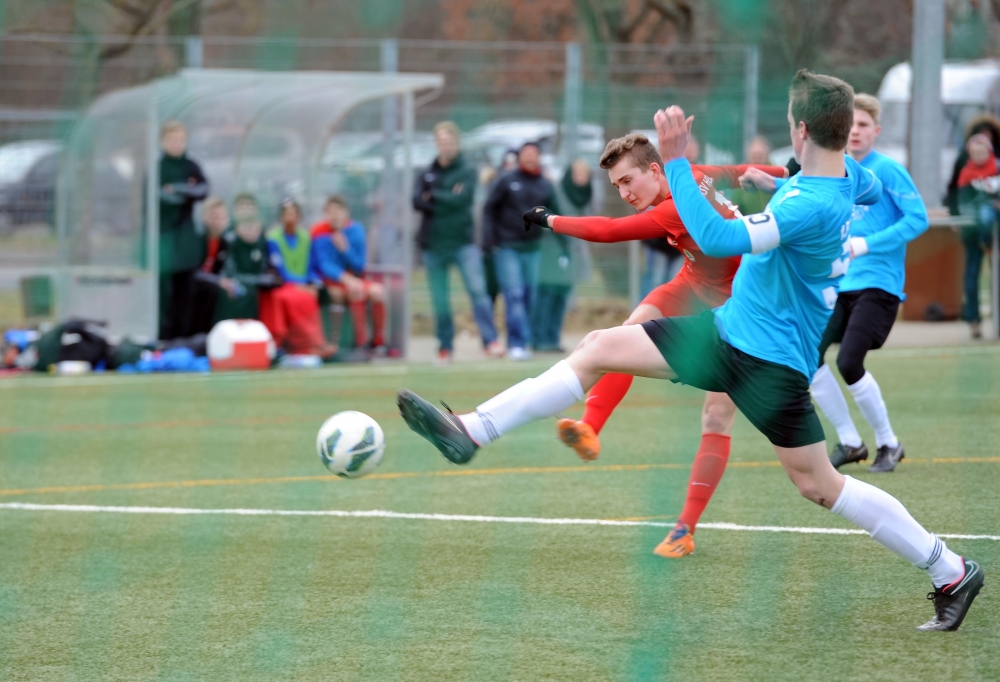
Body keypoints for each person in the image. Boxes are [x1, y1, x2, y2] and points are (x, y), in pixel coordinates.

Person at [398, 71, 983, 632]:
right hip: (726, 332)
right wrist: (777, 182)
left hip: (771, 366)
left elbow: (723, 238)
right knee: (600, 346)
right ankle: (473, 430)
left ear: (801, 131)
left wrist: (677, 162)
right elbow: (869, 187)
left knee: (819, 485)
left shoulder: (812, 203)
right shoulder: (844, 177)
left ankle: (951, 570)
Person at [525, 133, 786, 558]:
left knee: (717, 414)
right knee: (628, 331)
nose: (625, 193)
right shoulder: (696, 175)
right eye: (616, 188)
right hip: (694, 281)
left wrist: (549, 219)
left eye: (628, 181)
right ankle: (590, 426)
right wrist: (789, 173)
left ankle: (685, 528)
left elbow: (606, 231)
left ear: (655, 170)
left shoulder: (675, 207)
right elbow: (741, 173)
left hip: (739, 303)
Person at [809, 94, 928, 473]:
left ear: (875, 131)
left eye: (863, 125)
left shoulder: (888, 170)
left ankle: (889, 443)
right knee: (807, 357)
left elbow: (918, 219)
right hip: (837, 284)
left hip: (878, 285)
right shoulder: (834, 170)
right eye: (850, 125)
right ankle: (850, 441)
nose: (855, 132)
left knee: (848, 361)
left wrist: (867, 244)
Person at [413, 121, 502, 364]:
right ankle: (445, 347)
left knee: (478, 292)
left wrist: (433, 196)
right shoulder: (427, 172)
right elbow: (416, 201)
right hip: (433, 244)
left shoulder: (467, 171)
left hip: (463, 242)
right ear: (437, 144)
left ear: (457, 143)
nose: (446, 146)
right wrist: (447, 196)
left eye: (450, 141)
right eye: (442, 142)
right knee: (440, 299)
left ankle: (490, 341)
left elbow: (462, 200)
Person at [483, 142, 561, 360]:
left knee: (529, 295)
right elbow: (489, 208)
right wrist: (489, 239)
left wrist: (563, 245)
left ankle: (523, 341)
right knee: (514, 294)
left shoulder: (545, 185)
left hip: (533, 248)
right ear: (519, 157)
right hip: (507, 247)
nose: (529, 158)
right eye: (525, 154)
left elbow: (557, 215)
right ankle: (516, 343)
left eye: (533, 154)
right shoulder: (506, 180)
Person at [311, 195, 387, 354]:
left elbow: (359, 265)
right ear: (326, 214)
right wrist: (347, 279)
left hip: (355, 279)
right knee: (355, 291)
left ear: (347, 212)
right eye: (331, 212)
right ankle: (360, 344)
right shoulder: (319, 232)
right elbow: (325, 266)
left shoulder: (355, 230)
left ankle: (378, 342)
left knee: (378, 291)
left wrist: (345, 248)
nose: (335, 215)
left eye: (339, 211)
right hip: (333, 281)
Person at [532, 159, 593, 352]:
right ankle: (539, 338)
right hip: (553, 249)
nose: (581, 179)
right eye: (577, 174)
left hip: (575, 252)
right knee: (547, 294)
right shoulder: (556, 191)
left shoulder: (588, 195)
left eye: (584, 175)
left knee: (562, 296)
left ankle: (553, 338)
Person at [262, 198, 335, 357]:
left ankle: (316, 343)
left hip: (303, 284)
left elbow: (311, 266)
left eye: (293, 214)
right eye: (286, 214)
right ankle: (306, 345)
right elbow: (279, 269)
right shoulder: (273, 239)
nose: (290, 218)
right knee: (297, 298)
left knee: (310, 296)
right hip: (284, 284)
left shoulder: (305, 237)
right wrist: (300, 286)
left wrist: (313, 283)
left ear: (299, 216)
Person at [158, 120, 209, 340]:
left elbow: (203, 189)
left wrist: (179, 189)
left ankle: (185, 337)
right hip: (164, 239)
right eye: (172, 139)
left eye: (180, 139)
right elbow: (160, 198)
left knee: (186, 290)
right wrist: (184, 193)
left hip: (186, 241)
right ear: (163, 142)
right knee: (165, 292)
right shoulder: (158, 168)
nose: (177, 144)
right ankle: (164, 337)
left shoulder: (192, 166)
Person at [197, 193, 280, 322]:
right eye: (214, 216)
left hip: (227, 284)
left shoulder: (260, 242)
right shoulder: (228, 240)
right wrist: (221, 281)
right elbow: (227, 273)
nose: (250, 229)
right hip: (214, 286)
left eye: (221, 217)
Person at [954, 133, 999, 339]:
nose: (980, 156)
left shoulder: (996, 169)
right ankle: (974, 320)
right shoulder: (965, 173)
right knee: (972, 275)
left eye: (983, 151)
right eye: (975, 152)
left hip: (994, 233)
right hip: (973, 233)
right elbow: (960, 201)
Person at [191, 196, 231, 334]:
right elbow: (193, 274)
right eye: (214, 216)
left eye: (222, 216)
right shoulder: (196, 240)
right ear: (205, 217)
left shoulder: (225, 243)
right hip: (194, 292)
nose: (218, 221)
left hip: (211, 291)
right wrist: (218, 281)